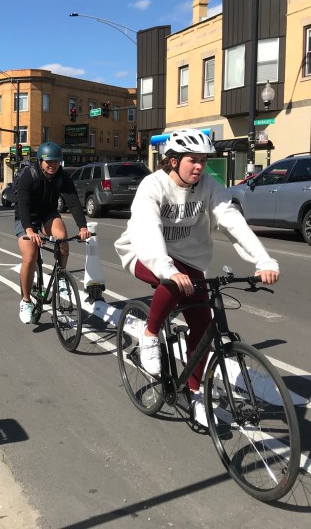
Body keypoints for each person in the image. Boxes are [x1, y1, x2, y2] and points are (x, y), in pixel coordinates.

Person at [114, 128, 279, 426]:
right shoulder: (153, 186)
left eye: (203, 160)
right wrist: (168, 269)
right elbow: (148, 231)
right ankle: (150, 334)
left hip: (189, 261)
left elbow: (232, 221)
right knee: (171, 284)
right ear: (173, 160)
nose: (200, 166)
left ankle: (197, 394)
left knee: (203, 328)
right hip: (143, 253)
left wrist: (263, 259)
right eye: (193, 160)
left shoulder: (208, 186)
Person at [16, 142, 91, 324]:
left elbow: (73, 203)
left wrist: (82, 227)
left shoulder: (62, 177)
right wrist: (29, 230)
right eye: (48, 161)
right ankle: (26, 301)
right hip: (27, 218)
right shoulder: (29, 175)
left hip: (47, 214)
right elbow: (23, 205)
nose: (52, 165)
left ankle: (61, 277)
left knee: (62, 237)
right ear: (40, 161)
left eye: (56, 161)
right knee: (30, 256)